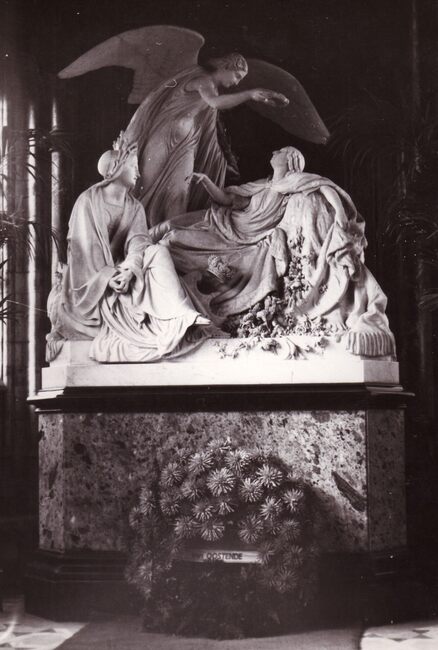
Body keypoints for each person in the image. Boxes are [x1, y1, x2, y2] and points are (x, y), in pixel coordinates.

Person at [153, 146, 396, 358]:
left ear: (291, 159)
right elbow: (227, 199)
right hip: (226, 226)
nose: (274, 152)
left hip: (247, 242)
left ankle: (185, 310)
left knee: (174, 242)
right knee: (168, 234)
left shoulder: (293, 184)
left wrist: (340, 214)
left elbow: (325, 188)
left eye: (280, 151)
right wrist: (206, 181)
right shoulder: (262, 185)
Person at [46, 135, 210, 363]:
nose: (138, 173)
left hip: (123, 271)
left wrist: (130, 269)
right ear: (117, 167)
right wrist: (109, 277)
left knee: (158, 251)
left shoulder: (134, 207)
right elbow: (83, 253)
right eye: (133, 166)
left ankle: (181, 315)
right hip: (94, 283)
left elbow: (139, 242)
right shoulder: (88, 202)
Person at [124, 53, 288, 226]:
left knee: (180, 191)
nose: (237, 83)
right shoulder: (203, 79)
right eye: (237, 76)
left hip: (187, 143)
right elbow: (215, 102)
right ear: (225, 67)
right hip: (164, 135)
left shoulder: (213, 88)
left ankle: (173, 234)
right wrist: (250, 94)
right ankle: (135, 230)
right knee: (147, 185)